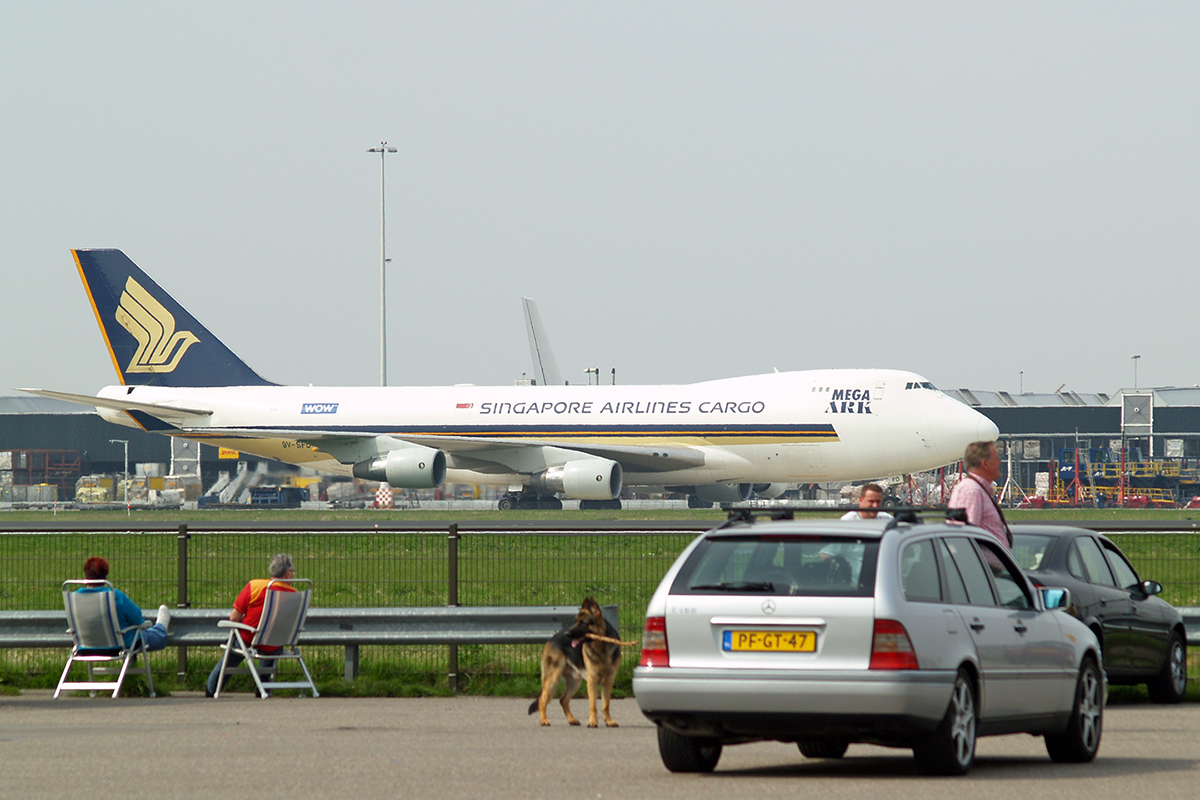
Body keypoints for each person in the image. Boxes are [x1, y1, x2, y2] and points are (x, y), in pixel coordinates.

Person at [205, 553, 297, 697]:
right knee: (272, 641)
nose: (294, 575)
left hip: (248, 638)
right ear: (286, 574)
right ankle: (264, 687)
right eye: (293, 571)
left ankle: (211, 689)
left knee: (233, 651)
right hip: (275, 642)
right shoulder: (295, 595)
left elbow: (234, 617)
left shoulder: (255, 586)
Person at [76, 556, 171, 652]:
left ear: (86, 576)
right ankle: (161, 625)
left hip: (86, 648)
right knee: (157, 635)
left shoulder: (76, 598)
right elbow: (137, 619)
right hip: (120, 646)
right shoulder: (115, 596)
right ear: (105, 576)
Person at [819, 483, 892, 585]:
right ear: (861, 500)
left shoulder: (886, 520)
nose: (875, 506)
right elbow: (825, 553)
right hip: (856, 586)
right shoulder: (849, 522)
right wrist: (842, 570)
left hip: (883, 582)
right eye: (871, 501)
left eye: (878, 502)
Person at [947, 440, 1013, 549]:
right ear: (985, 463)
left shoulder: (977, 490)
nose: (1000, 462)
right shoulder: (971, 491)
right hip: (982, 565)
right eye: (996, 458)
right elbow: (968, 537)